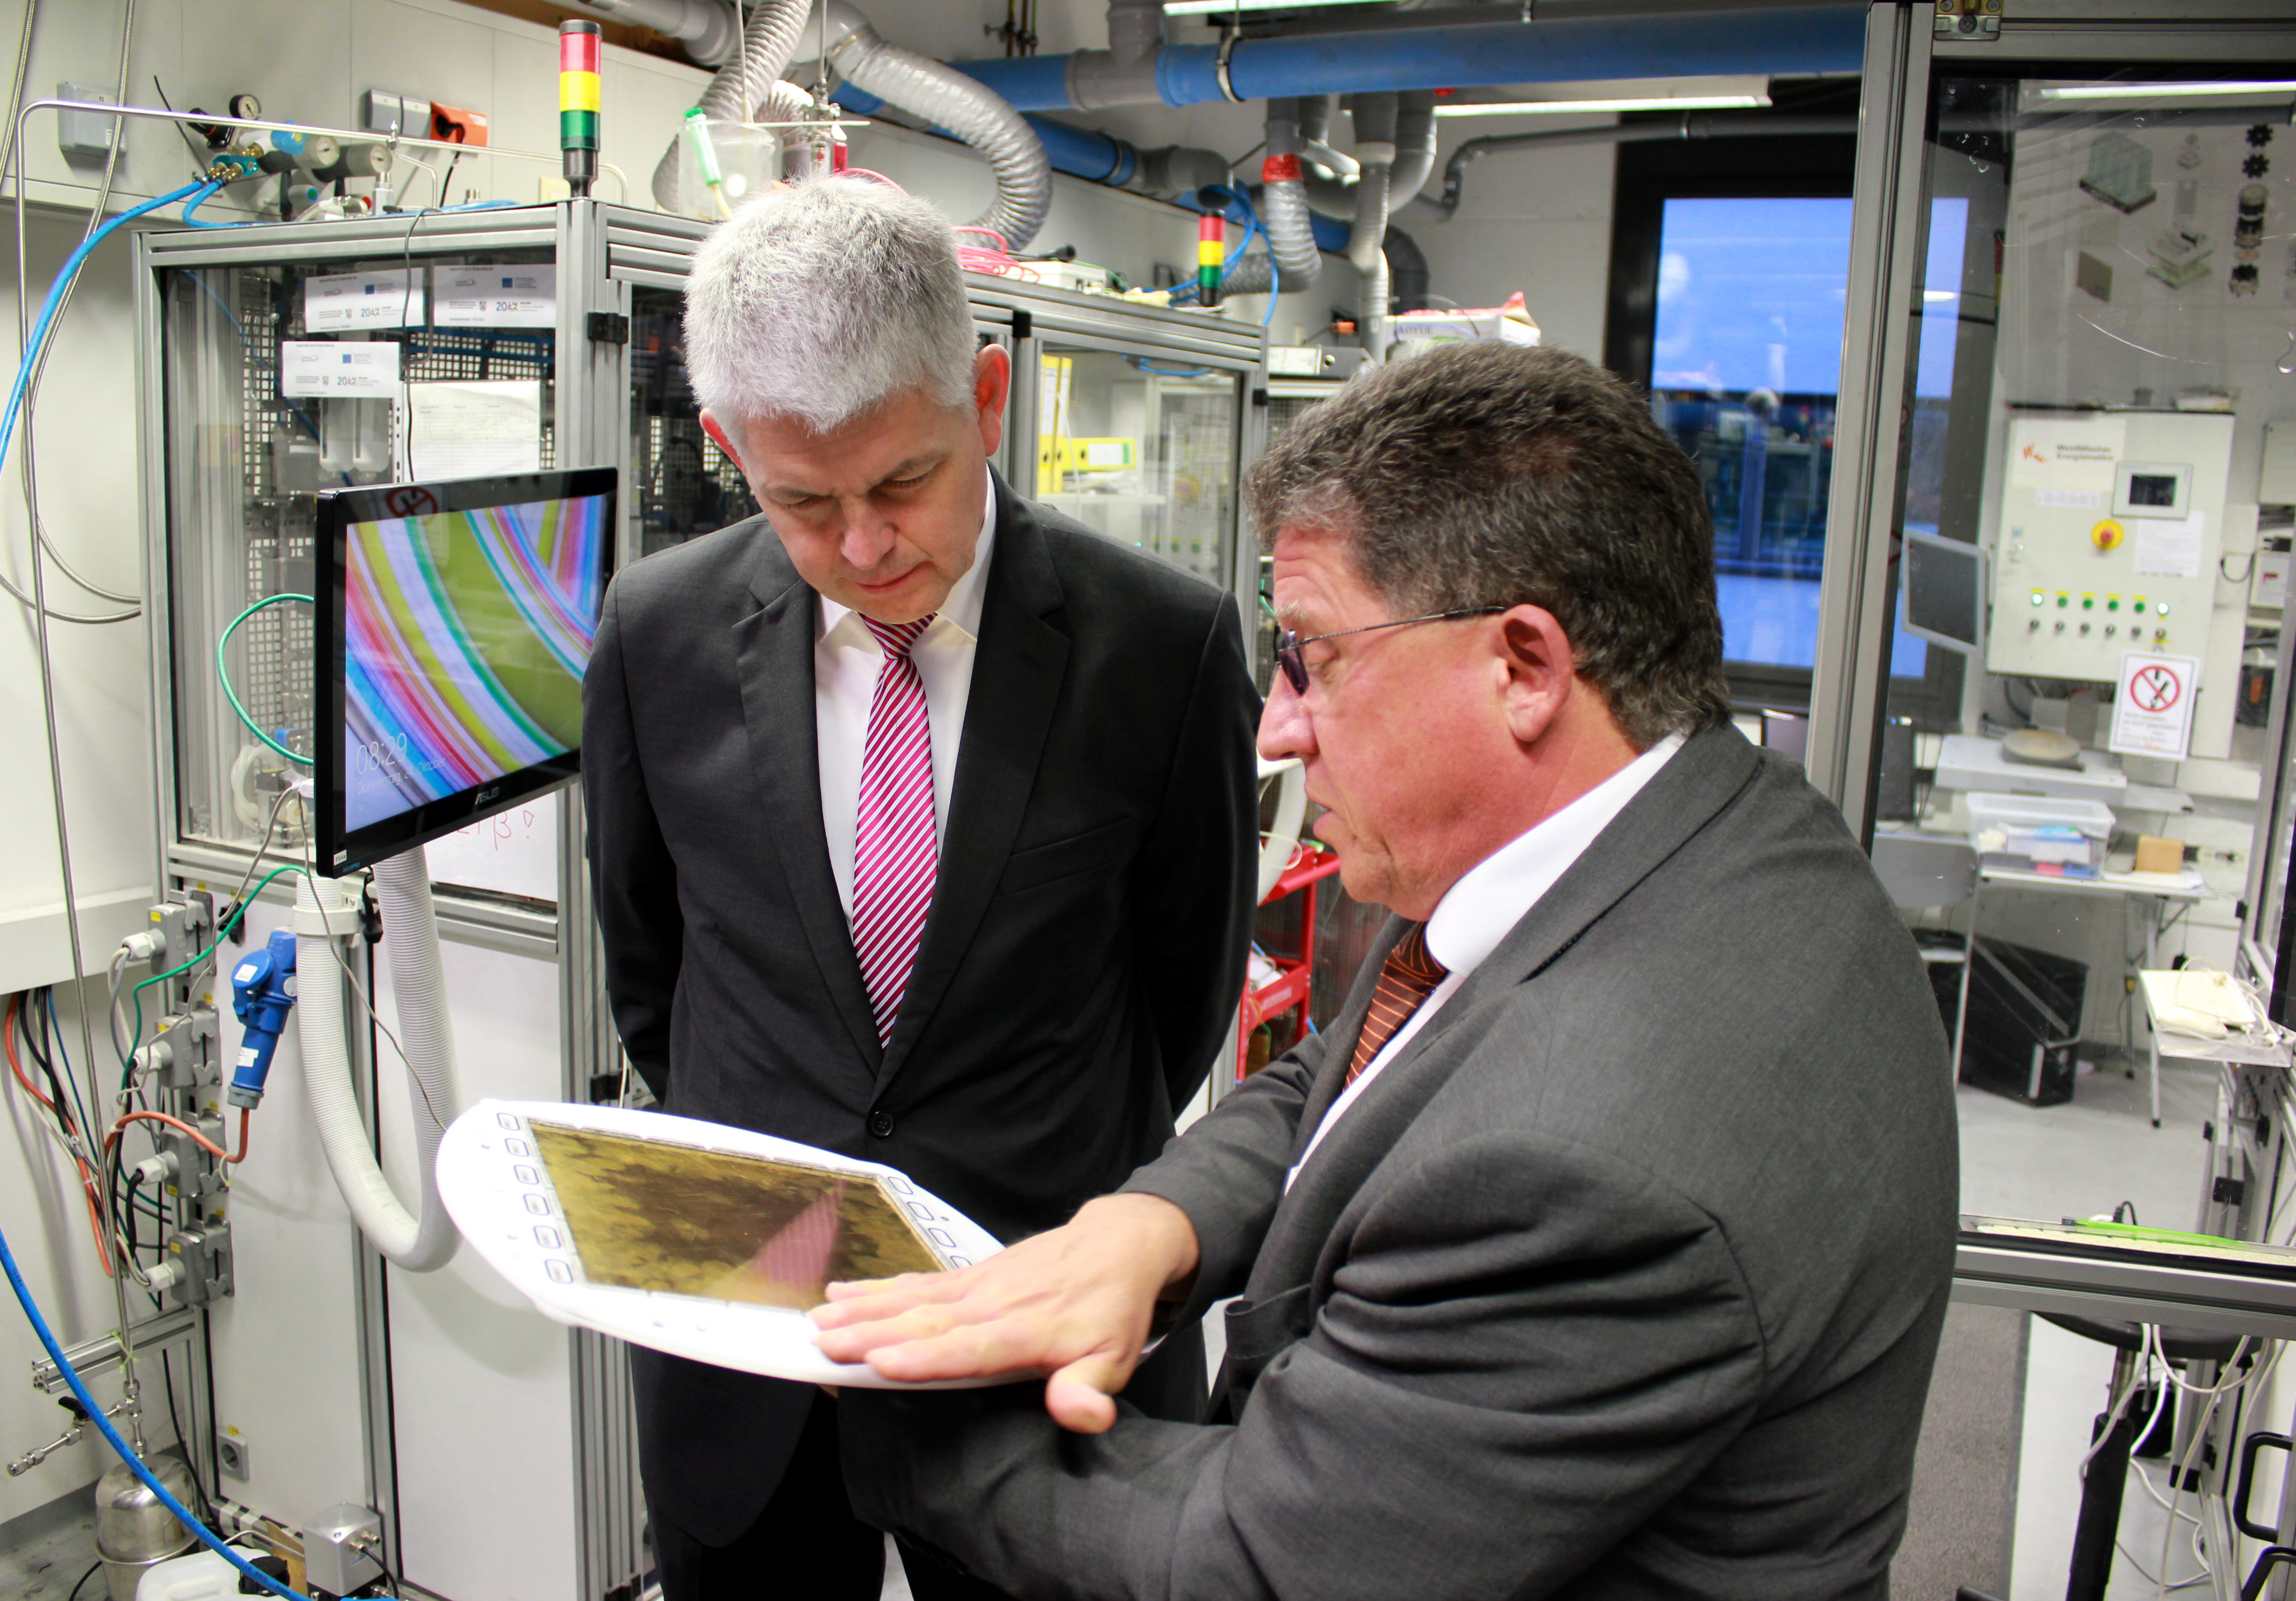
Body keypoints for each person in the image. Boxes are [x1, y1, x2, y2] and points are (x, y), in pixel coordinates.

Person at [815, 340, 1961, 1601]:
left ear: (1522, 668)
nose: (1277, 724)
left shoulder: (1589, 1167)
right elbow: (1346, 1076)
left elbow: (1257, 1566)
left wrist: (874, 1385)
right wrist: (1154, 1226)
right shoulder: (1694, 841)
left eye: (1313, 655)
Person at [580, 175, 1260, 1600]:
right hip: (752, 1343)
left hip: (1040, 1343)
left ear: (990, 398)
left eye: (903, 482)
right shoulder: (658, 634)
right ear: (725, 450)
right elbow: (655, 975)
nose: (866, 549)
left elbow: (1178, 999)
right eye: (801, 504)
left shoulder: (1162, 647)